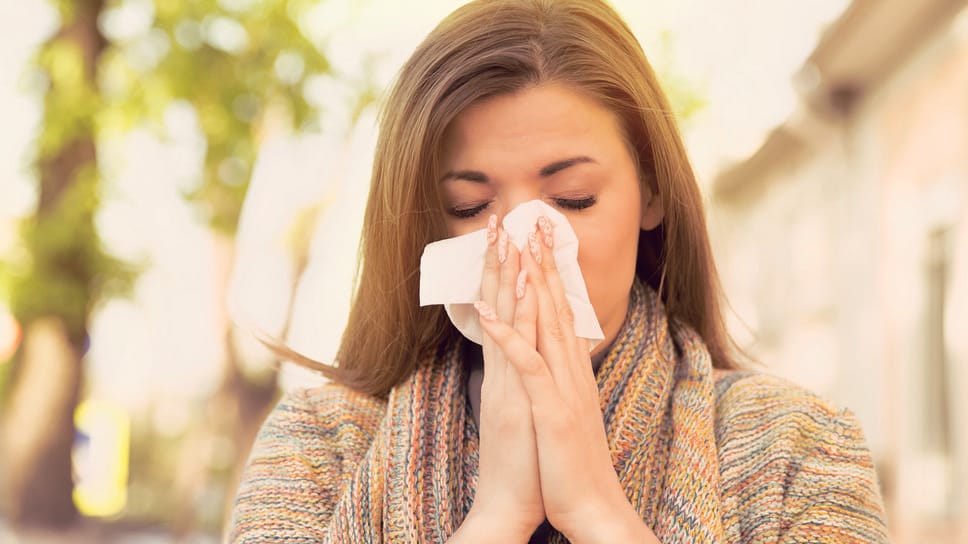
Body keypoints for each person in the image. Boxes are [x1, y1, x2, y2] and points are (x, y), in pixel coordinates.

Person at [229, 0, 889, 542]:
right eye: (469, 205)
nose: (523, 248)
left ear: (651, 194)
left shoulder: (799, 449)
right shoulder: (317, 450)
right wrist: (498, 516)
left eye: (572, 198)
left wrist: (599, 512)